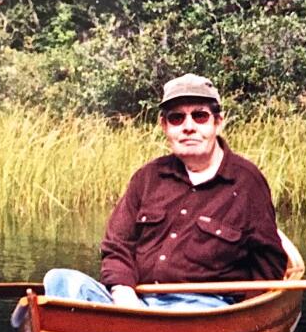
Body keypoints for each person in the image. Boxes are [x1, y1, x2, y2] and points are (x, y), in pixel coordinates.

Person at [43, 73, 288, 310]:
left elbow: (268, 262)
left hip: (204, 308)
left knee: (186, 315)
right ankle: (131, 329)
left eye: (200, 116)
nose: (188, 127)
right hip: (136, 301)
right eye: (177, 118)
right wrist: (124, 295)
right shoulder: (147, 177)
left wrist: (244, 315)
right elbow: (117, 246)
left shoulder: (247, 182)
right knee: (59, 280)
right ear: (164, 126)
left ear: (218, 122)